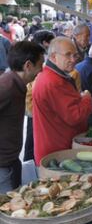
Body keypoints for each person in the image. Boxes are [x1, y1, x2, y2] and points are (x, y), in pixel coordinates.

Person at [32, 37, 92, 165]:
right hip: (58, 153)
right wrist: (87, 99)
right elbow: (75, 116)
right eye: (68, 55)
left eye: (75, 55)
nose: (73, 59)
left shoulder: (53, 76)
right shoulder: (54, 82)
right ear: (53, 57)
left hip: (58, 149)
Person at [0, 41, 44, 192]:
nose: (42, 70)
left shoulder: (17, 84)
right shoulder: (7, 86)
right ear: (28, 66)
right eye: (40, 64)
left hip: (11, 161)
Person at [24, 30, 55, 161]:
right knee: (32, 141)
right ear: (45, 43)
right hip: (33, 109)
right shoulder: (35, 59)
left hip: (33, 108)